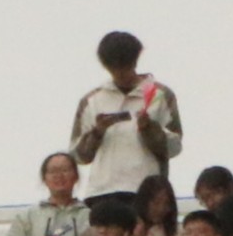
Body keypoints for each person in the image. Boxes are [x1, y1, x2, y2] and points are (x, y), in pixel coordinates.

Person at [72, 30, 182, 202]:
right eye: (113, 67)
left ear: (135, 61)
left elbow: (175, 146)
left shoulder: (159, 94)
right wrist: (97, 133)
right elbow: (78, 155)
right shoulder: (91, 100)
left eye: (124, 66)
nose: (119, 73)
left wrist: (149, 129)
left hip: (147, 192)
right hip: (101, 191)